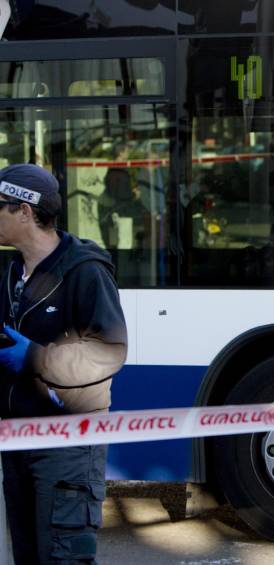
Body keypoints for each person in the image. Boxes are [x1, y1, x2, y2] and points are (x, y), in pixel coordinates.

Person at [0, 164, 127, 563]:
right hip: (17, 440)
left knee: (62, 556)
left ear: (25, 211)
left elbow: (108, 352)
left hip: (67, 442)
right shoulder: (11, 274)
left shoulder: (84, 270)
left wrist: (34, 356)